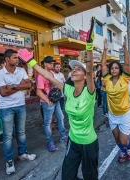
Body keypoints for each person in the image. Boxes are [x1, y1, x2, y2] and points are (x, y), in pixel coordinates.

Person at [18, 27, 99, 179]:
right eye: (73, 68)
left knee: (90, 177)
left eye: (78, 69)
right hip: (73, 141)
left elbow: (89, 69)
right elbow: (48, 76)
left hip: (89, 143)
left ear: (85, 75)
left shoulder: (89, 92)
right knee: (67, 177)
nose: (74, 71)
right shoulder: (67, 89)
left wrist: (88, 45)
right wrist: (31, 61)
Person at [0, 49, 36, 175]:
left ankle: (22, 154)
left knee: (21, 132)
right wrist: (19, 85)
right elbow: (3, 93)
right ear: (7, 59)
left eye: (18, 58)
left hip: (20, 105)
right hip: (6, 107)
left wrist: (12, 86)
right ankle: (9, 161)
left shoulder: (21, 70)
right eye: (15, 58)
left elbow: (29, 85)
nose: (17, 60)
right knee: (7, 136)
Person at [101, 39, 130, 162]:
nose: (114, 69)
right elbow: (103, 65)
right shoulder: (107, 79)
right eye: (112, 68)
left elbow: (127, 63)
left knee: (124, 140)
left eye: (116, 68)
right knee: (117, 139)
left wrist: (125, 49)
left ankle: (129, 148)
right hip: (113, 114)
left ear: (119, 70)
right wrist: (104, 50)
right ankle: (123, 152)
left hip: (125, 113)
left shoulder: (125, 78)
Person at [35, 56, 67, 152]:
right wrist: (47, 101)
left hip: (55, 100)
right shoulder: (41, 76)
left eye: (52, 63)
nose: (51, 65)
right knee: (48, 123)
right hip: (47, 102)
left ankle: (63, 136)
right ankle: (50, 142)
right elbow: (38, 92)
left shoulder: (52, 73)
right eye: (49, 63)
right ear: (44, 64)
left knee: (60, 117)